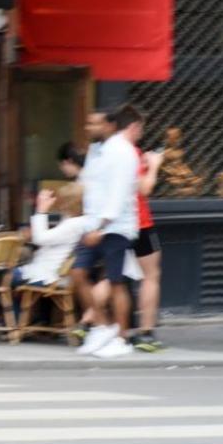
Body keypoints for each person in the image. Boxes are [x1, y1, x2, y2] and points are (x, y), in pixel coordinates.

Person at [72, 106, 141, 359]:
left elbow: (119, 194)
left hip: (115, 227)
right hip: (92, 224)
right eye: (88, 123)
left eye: (94, 124)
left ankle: (122, 338)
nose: (89, 128)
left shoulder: (123, 152)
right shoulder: (95, 151)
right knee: (78, 273)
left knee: (116, 282)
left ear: (110, 125)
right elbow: (88, 185)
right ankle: (102, 327)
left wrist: (101, 228)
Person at [129, 114, 165, 352]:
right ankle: (146, 333)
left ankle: (92, 323)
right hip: (140, 223)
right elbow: (145, 187)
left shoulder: (110, 152)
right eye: (141, 127)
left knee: (112, 276)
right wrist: (154, 166)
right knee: (151, 276)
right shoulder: (133, 153)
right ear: (134, 126)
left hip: (117, 223)